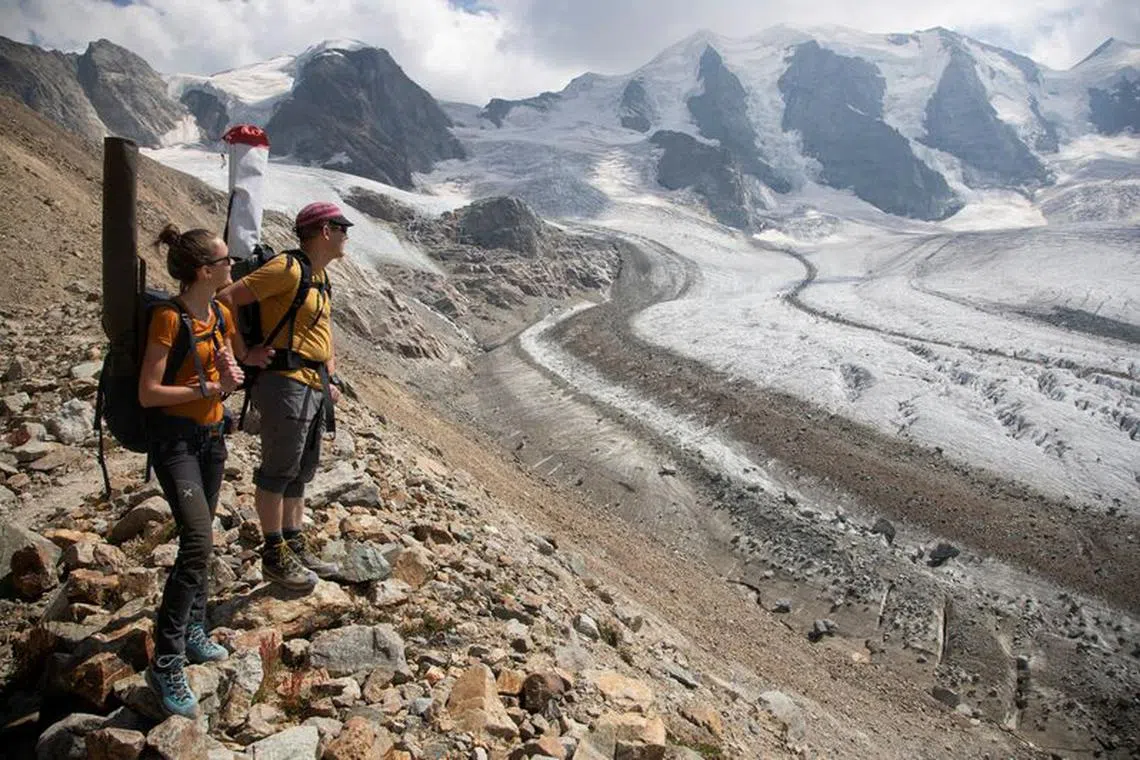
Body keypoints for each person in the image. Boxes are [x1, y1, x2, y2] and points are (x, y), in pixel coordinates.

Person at [139, 224, 244, 718]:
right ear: (205, 271)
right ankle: (166, 658)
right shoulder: (167, 317)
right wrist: (206, 391)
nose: (231, 267)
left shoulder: (219, 314)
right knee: (198, 541)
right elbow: (149, 392)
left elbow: (222, 380)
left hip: (212, 439)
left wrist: (226, 380)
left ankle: (196, 627)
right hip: (176, 441)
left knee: (200, 540)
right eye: (225, 262)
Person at [218, 202, 349, 592]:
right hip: (284, 381)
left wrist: (331, 376)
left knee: (301, 469)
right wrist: (242, 353)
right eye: (342, 226)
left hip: (312, 383)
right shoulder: (287, 268)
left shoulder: (320, 278)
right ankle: (274, 553)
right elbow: (226, 299)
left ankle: (294, 542)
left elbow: (323, 334)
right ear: (324, 230)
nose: (346, 234)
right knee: (278, 469)